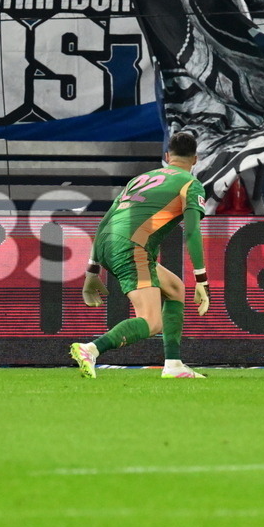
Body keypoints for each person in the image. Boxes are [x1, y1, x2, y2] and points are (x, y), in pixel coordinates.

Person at [70, 131, 211, 379]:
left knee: (175, 288)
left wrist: (92, 271)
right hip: (132, 247)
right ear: (196, 159)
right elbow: (191, 232)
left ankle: (174, 365)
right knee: (151, 321)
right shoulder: (190, 183)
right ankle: (90, 349)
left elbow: (105, 220)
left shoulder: (140, 179)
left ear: (167, 156)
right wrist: (202, 280)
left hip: (105, 242)